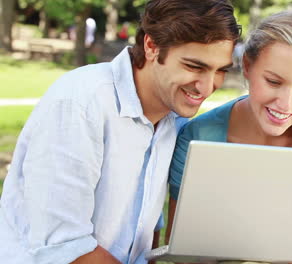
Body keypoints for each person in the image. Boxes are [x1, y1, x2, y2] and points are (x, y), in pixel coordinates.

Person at [0, 0, 240, 263]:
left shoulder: (174, 119)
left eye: (221, 71)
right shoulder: (80, 102)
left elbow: (145, 230)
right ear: (151, 46)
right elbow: (65, 248)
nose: (207, 87)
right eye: (195, 67)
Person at [165, 10, 292, 264]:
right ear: (247, 66)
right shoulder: (199, 137)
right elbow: (184, 254)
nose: (285, 103)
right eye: (273, 82)